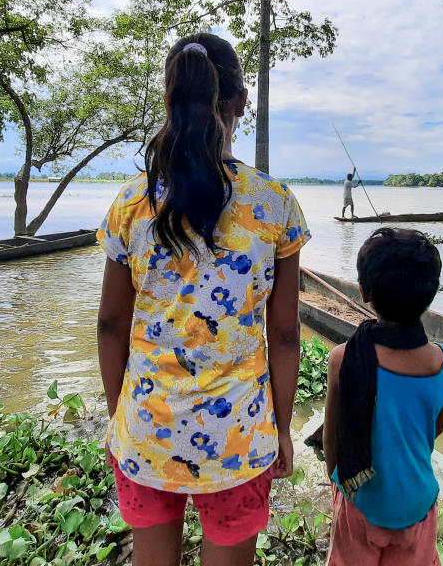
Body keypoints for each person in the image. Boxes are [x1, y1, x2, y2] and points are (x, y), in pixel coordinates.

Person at [96, 33, 311, 566]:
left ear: (172, 101)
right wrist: (280, 430)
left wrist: (118, 419)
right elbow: (284, 333)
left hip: (146, 427)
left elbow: (109, 325)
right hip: (238, 433)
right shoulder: (274, 203)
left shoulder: (131, 201)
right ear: (240, 104)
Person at [322, 228, 443, 566]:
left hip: (360, 502)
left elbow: (332, 433)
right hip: (417, 504)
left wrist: (336, 474)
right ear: (432, 293)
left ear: (364, 292)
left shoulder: (343, 357)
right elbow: (437, 427)